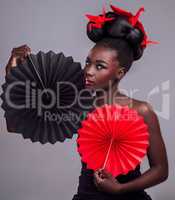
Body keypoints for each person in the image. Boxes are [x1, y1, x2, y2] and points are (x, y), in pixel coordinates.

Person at [5, 4, 168, 200]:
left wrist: (120, 189)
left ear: (119, 73)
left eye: (99, 66)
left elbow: (160, 169)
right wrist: (12, 74)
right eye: (88, 62)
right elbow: (15, 125)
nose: (88, 71)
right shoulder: (76, 105)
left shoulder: (141, 110)